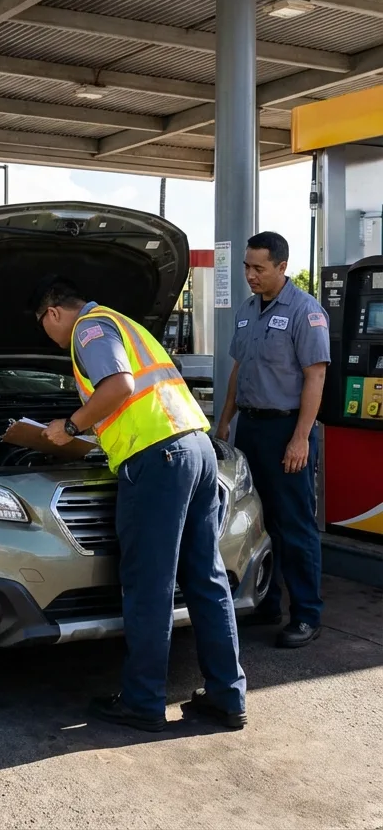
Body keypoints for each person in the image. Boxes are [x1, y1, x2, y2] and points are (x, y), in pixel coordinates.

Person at [37, 279, 246, 732]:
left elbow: (118, 385)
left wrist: (70, 426)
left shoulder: (89, 329)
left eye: (43, 326)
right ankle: (228, 696)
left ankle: (143, 701)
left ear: (53, 312)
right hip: (196, 448)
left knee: (150, 584)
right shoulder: (124, 323)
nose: (48, 336)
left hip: (158, 461)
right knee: (206, 577)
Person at [215, 231, 330, 649]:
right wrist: (224, 422)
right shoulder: (247, 310)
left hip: (287, 430)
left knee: (294, 524)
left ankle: (307, 614)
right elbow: (239, 369)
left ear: (282, 267)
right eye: (247, 266)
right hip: (251, 427)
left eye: (259, 268)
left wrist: (300, 439)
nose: (250, 275)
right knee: (256, 518)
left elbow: (316, 376)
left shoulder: (305, 311)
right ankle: (266, 602)